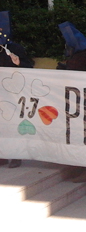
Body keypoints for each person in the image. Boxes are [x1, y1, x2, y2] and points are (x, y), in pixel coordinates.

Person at [56, 21, 86, 183]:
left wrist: (64, 72)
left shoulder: (79, 59)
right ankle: (81, 167)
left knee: (80, 137)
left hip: (80, 104)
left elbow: (76, 78)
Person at [0, 11, 34, 168]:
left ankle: (15, 156)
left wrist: (18, 62)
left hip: (13, 95)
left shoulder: (16, 48)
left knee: (13, 125)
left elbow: (29, 67)